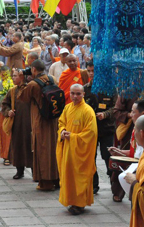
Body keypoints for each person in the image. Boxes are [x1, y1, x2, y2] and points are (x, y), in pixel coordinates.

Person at [17, 60, 60, 190]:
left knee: (42, 150)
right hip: (54, 119)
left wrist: (23, 80)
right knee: (54, 149)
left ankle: (45, 183)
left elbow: (22, 97)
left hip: (41, 121)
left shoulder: (33, 84)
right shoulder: (52, 79)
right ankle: (57, 179)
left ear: (34, 70)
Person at [57, 84, 98, 215]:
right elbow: (61, 122)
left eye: (78, 94)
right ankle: (71, 200)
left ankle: (80, 204)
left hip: (81, 151)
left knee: (80, 177)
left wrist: (73, 136)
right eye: (73, 93)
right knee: (68, 176)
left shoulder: (88, 111)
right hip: (68, 149)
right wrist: (62, 131)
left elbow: (91, 133)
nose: (75, 97)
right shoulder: (68, 108)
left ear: (83, 94)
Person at [83, 62, 116, 195]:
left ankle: (114, 184)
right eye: (89, 71)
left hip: (107, 128)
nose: (91, 73)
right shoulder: (85, 89)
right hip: (90, 129)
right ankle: (94, 185)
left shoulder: (110, 88)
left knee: (107, 156)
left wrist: (105, 114)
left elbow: (115, 108)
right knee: (91, 157)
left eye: (93, 71)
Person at [2, 69, 32, 179]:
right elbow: (5, 104)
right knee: (17, 147)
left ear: (22, 77)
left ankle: (35, 172)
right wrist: (8, 111)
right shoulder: (12, 91)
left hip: (30, 123)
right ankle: (20, 171)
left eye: (15, 76)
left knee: (31, 147)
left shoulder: (30, 89)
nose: (13, 78)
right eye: (13, 76)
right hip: (17, 124)